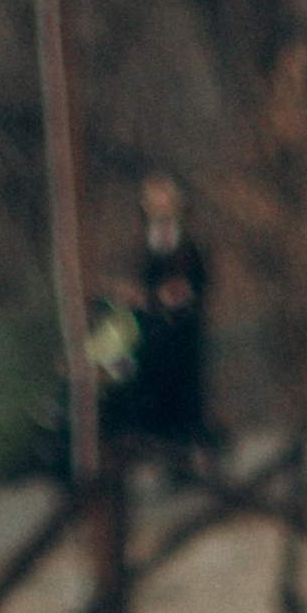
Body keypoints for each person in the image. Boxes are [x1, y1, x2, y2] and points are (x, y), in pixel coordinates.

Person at [130, 174, 211, 446]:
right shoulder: (142, 242)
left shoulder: (189, 242)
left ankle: (188, 436)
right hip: (152, 325)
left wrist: (183, 292)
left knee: (185, 384)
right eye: (154, 202)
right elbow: (143, 279)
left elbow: (200, 277)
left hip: (183, 326)